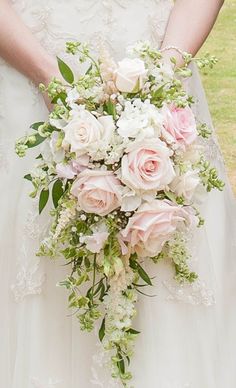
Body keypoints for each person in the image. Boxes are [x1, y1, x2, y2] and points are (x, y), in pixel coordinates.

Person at [0, 0, 235, 387]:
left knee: (165, 259)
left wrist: (162, 78)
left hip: (155, 63)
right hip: (30, 70)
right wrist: (49, 79)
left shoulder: (161, 77)